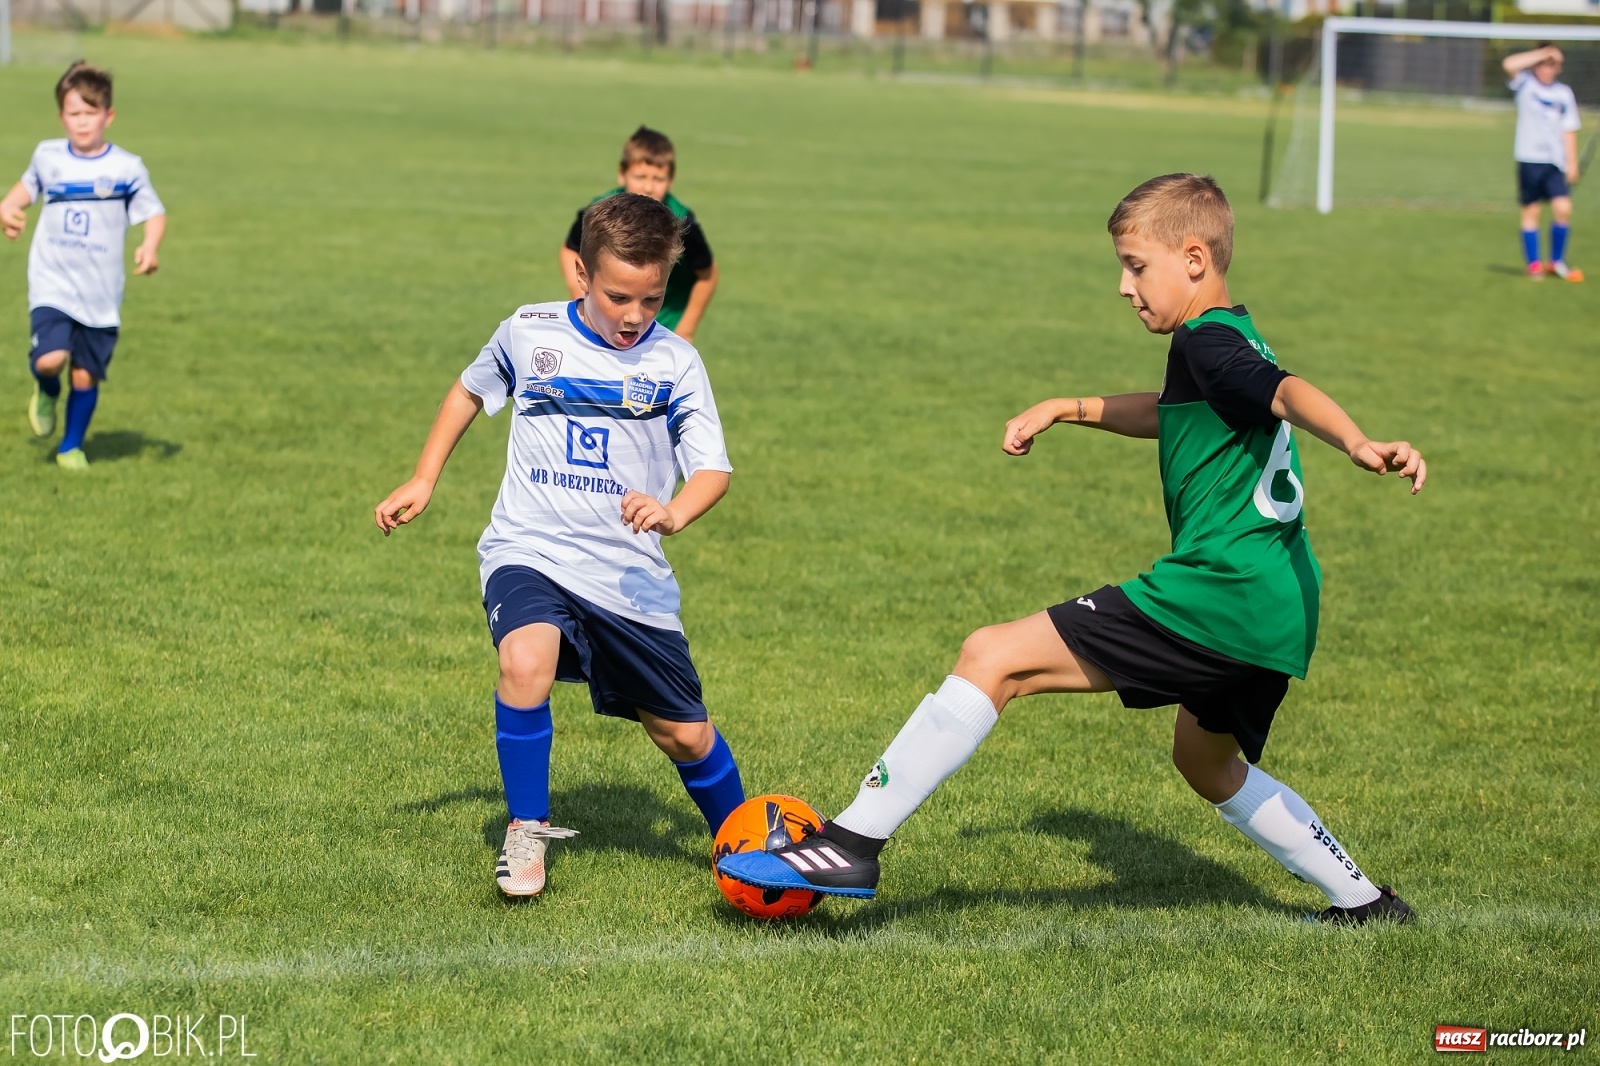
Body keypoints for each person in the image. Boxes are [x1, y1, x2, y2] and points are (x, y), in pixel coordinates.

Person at [718, 174, 1427, 925]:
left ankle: (850, 842)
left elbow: (1284, 392)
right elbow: (1182, 409)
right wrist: (1070, 407)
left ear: (1194, 257)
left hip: (1219, 592)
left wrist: (1355, 440)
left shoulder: (1206, 338)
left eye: (1135, 265)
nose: (1125, 286)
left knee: (993, 656)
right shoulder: (1228, 335)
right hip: (1279, 603)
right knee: (1207, 762)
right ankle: (1365, 901)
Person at [376, 193, 744, 898]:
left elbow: (714, 470)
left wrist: (673, 512)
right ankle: (527, 832)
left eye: (651, 298)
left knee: (685, 736)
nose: (635, 315)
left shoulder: (675, 362)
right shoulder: (529, 332)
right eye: (617, 296)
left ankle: (744, 840)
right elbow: (466, 391)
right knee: (524, 661)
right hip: (529, 547)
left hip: (626, 577)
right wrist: (425, 478)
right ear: (580, 273)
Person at [0, 62, 167, 470]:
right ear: (61, 116)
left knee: (85, 375)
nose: (82, 122)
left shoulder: (126, 168)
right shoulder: (48, 156)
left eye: (90, 113)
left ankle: (70, 446)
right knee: (51, 360)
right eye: (73, 114)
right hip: (52, 279)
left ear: (108, 116)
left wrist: (150, 244)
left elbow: (154, 212)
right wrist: (7, 206)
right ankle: (45, 389)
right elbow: (26, 189)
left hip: (101, 291)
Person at [560, 126, 719, 341]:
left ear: (671, 180)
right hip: (608, 323)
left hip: (662, 329)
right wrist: (580, 293)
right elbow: (569, 250)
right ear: (622, 174)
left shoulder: (680, 223)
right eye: (640, 176)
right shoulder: (600, 212)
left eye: (658, 179)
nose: (649, 187)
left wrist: (686, 329)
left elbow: (708, 274)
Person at [1502, 45, 1582, 282]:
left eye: (1552, 64)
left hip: (1555, 161)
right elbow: (1509, 64)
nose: (1547, 69)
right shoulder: (1526, 85)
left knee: (1563, 208)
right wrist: (1545, 52)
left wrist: (1572, 162)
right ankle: (1534, 264)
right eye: (1543, 64)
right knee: (1532, 210)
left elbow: (1569, 130)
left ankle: (1556, 262)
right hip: (1529, 158)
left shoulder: (1564, 93)